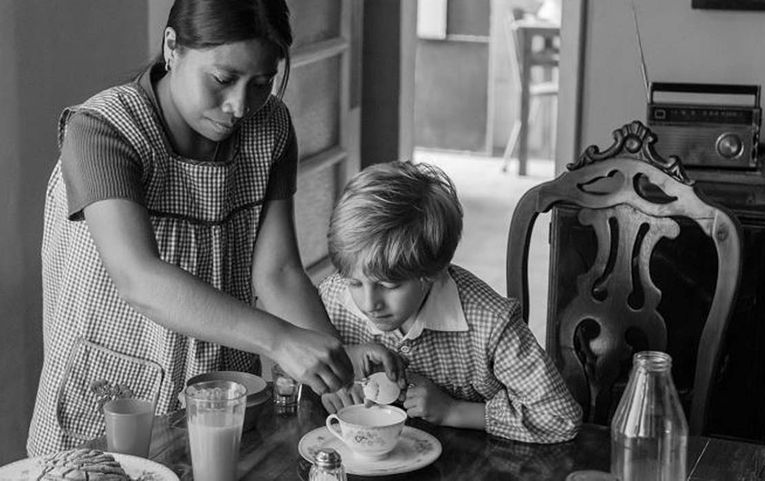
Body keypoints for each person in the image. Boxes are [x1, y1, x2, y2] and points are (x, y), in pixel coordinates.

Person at [28, 0, 401, 456]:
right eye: (223, 79)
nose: (239, 106)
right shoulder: (102, 131)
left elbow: (278, 272)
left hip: (221, 385)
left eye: (261, 83)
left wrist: (330, 358)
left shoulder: (271, 128)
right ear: (172, 47)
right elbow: (139, 279)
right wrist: (282, 340)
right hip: (113, 388)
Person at [318, 161, 582, 444]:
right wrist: (331, 381)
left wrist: (453, 411)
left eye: (389, 285)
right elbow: (290, 368)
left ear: (432, 271)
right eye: (355, 282)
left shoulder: (489, 322)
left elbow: (560, 417)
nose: (369, 303)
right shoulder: (333, 297)